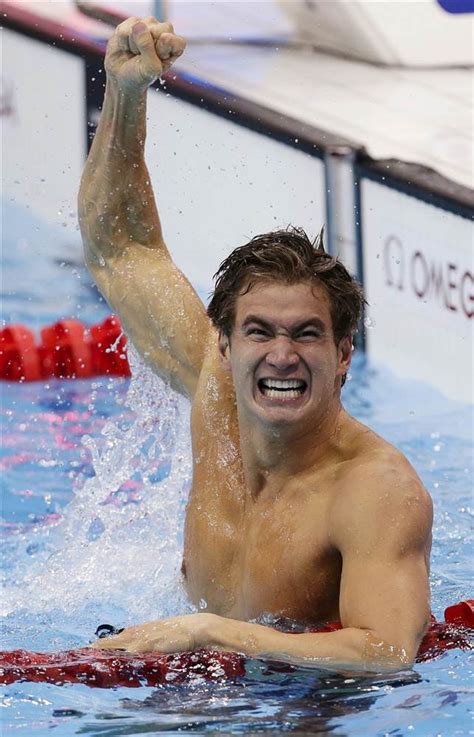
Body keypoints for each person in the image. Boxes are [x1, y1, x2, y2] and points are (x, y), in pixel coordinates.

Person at [78, 16, 433, 672]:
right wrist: (125, 98)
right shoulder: (216, 391)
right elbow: (122, 249)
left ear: (345, 354)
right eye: (259, 331)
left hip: (308, 706)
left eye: (306, 334)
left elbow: (385, 652)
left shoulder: (376, 491)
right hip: (195, 681)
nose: (281, 355)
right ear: (224, 345)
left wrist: (214, 632)